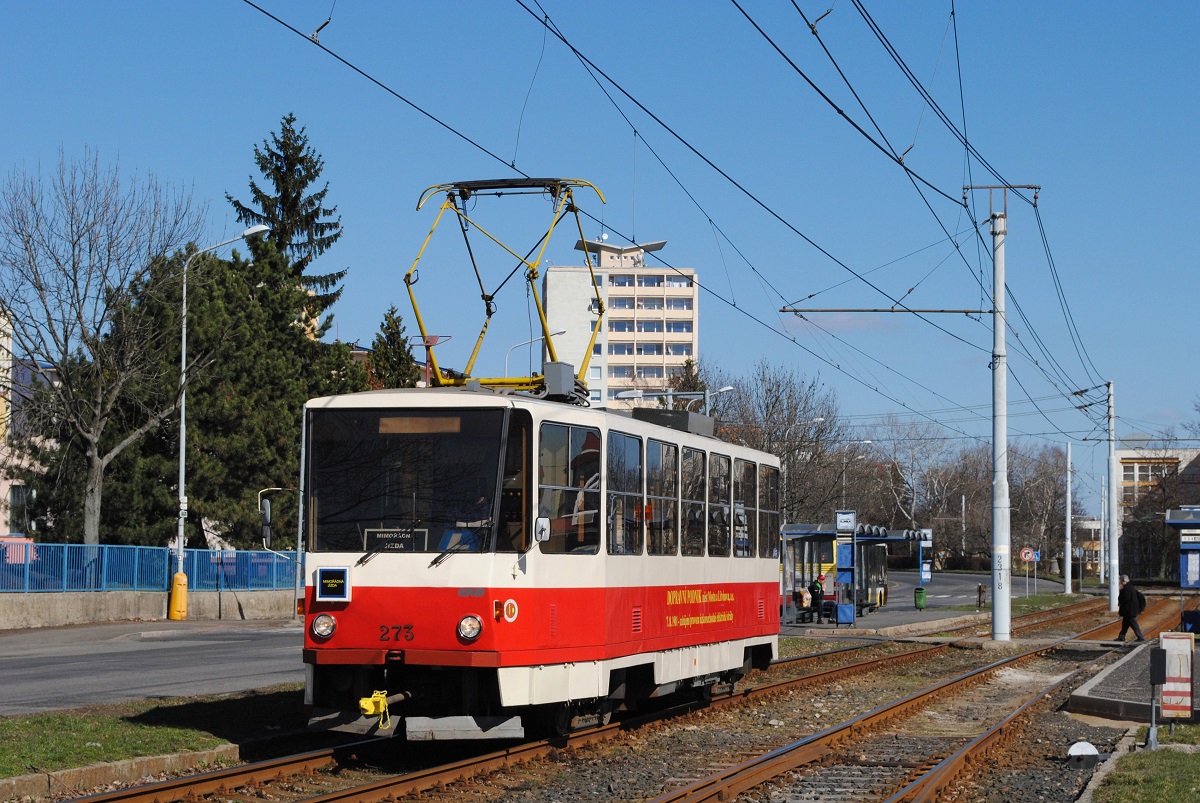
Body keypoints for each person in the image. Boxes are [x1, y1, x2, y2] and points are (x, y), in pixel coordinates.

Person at [1116, 574, 1146, 642]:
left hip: (1129, 611)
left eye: (1121, 582)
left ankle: (1140, 637)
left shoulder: (1126, 589)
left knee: (1134, 624)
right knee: (1125, 624)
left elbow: (1125, 599)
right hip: (1131, 610)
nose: (1120, 583)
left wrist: (1120, 601)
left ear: (1123, 581)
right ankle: (1121, 636)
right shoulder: (1131, 587)